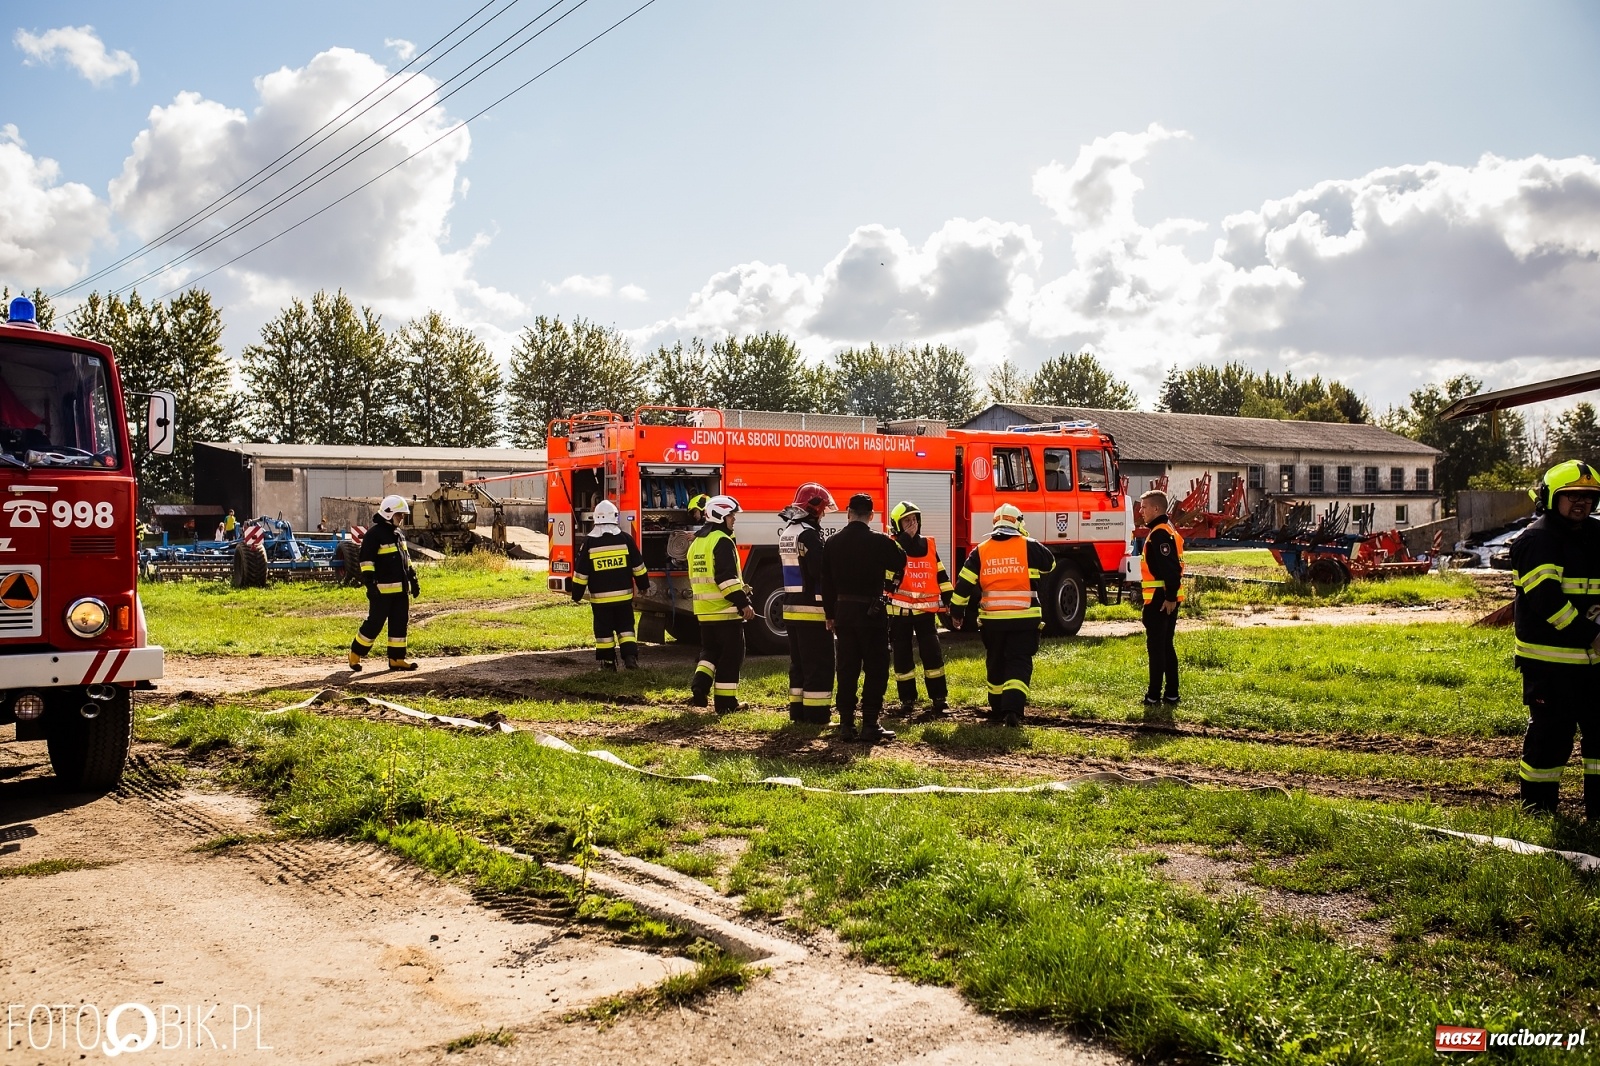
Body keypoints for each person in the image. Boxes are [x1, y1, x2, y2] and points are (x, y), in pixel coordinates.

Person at [1510, 460, 1600, 818]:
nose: (1581, 503)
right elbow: (1548, 601)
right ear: (1550, 498)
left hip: (1594, 665)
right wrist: (1591, 636)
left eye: (1588, 497)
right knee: (1550, 740)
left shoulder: (1597, 535)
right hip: (1551, 664)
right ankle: (1538, 813)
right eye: (1571, 496)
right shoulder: (1537, 539)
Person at [950, 503, 1055, 727]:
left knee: (995, 661)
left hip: (993, 621)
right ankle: (1013, 710)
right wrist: (1026, 538)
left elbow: (963, 585)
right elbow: (1051, 564)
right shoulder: (1029, 546)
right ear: (1018, 523)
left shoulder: (980, 550)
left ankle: (997, 707)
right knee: (1019, 661)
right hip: (1024, 618)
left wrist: (956, 612)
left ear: (995, 523)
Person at [821, 493, 905, 742]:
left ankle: (846, 724)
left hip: (843, 615)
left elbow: (826, 583)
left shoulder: (832, 543)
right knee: (876, 669)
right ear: (871, 516)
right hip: (872, 616)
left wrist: (829, 614)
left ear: (848, 513)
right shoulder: (879, 541)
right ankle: (870, 723)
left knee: (847, 670)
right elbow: (900, 559)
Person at [687, 495, 754, 713]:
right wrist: (743, 603)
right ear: (720, 516)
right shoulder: (722, 541)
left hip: (704, 612)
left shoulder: (698, 542)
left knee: (710, 652)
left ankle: (699, 687)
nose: (734, 519)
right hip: (725, 611)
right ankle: (726, 704)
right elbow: (725, 579)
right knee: (731, 656)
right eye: (731, 515)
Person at [887, 500, 953, 717]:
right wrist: (904, 539)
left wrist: (951, 601)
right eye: (907, 521)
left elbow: (941, 576)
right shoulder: (892, 546)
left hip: (926, 614)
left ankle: (939, 700)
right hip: (900, 614)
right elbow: (887, 577)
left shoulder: (929, 545)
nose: (912, 524)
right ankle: (907, 701)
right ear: (897, 525)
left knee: (933, 657)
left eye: (915, 520)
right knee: (903, 659)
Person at [778, 482, 836, 723]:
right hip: (812, 611)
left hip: (791, 609)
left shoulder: (788, 532)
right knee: (819, 665)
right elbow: (818, 572)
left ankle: (798, 712)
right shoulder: (809, 535)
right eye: (822, 510)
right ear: (814, 508)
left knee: (799, 664)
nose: (823, 514)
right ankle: (817, 715)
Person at [570, 499, 651, 670]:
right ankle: (630, 658)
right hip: (624, 598)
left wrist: (576, 594)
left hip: (601, 601)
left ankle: (608, 664)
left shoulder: (589, 543)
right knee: (626, 628)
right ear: (615, 517)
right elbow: (639, 567)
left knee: (604, 632)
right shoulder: (626, 539)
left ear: (596, 518)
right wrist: (644, 586)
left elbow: (581, 573)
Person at [349, 494, 421, 672]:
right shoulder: (374, 535)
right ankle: (355, 654)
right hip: (381, 592)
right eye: (400, 515)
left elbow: (407, 560)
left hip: (401, 591)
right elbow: (366, 562)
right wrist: (370, 585)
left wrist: (413, 578)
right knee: (375, 624)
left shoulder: (398, 534)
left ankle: (397, 659)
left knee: (399, 623)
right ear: (389, 514)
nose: (402, 518)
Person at [1138, 489, 1184, 708]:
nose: (1141, 511)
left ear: (1156, 509)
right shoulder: (1168, 529)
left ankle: (1154, 696)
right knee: (1166, 646)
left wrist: (1169, 597)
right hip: (1166, 597)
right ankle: (1172, 693)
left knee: (1157, 648)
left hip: (1159, 600)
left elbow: (1170, 569)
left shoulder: (1159, 533)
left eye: (1144, 507)